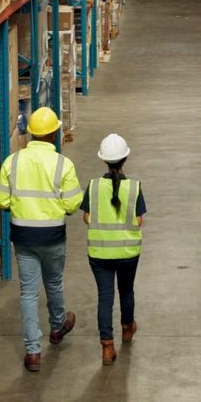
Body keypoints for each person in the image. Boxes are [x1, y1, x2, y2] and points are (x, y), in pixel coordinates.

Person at [0, 107, 82, 372]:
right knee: (53, 282)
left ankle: (33, 352)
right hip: (53, 235)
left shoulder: (13, 162)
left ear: (30, 134)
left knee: (28, 292)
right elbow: (73, 203)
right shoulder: (63, 165)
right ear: (54, 134)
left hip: (23, 236)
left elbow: (0, 199)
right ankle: (57, 327)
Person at [81, 132, 147, 366]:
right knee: (126, 291)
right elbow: (138, 221)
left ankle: (107, 346)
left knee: (105, 297)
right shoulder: (134, 187)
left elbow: (87, 217)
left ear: (103, 160)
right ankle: (127, 328)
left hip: (99, 253)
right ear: (125, 159)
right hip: (128, 253)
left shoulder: (94, 186)